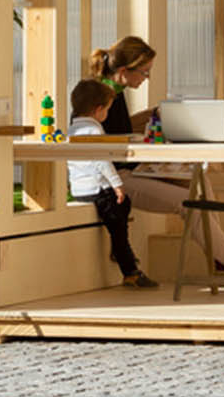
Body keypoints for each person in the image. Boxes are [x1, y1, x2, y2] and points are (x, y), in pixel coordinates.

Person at [91, 36, 224, 274]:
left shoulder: (116, 93)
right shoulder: (100, 96)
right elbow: (100, 139)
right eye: (144, 73)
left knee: (199, 183)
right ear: (124, 70)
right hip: (115, 179)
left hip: (128, 169)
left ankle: (220, 256)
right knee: (190, 204)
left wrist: (151, 115)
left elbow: (118, 129)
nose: (146, 78)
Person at [67, 78, 157, 288]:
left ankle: (122, 254)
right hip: (99, 189)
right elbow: (103, 161)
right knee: (120, 222)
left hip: (80, 190)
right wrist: (117, 184)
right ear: (99, 110)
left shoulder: (72, 130)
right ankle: (130, 270)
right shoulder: (95, 131)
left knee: (121, 212)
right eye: (107, 109)